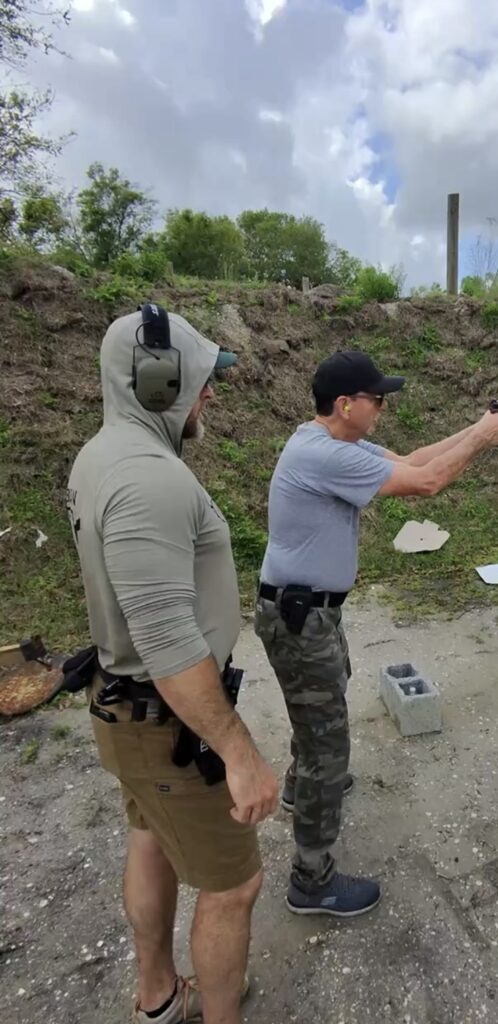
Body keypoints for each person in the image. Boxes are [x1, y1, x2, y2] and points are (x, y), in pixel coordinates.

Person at [254, 349, 498, 917]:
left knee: (319, 711)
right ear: (346, 404)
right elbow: (426, 483)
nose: (382, 407)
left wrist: (477, 426)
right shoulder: (324, 453)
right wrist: (482, 440)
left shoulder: (335, 442)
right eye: (377, 399)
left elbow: (413, 458)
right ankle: (311, 878)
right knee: (328, 738)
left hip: (309, 613)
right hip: (301, 617)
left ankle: (302, 789)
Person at [67, 306, 280, 1024]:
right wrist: (239, 750)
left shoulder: (104, 455)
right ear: (156, 380)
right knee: (232, 888)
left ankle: (157, 996)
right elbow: (165, 636)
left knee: (150, 838)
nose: (210, 392)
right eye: (198, 376)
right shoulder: (148, 479)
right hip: (169, 724)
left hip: (132, 714)